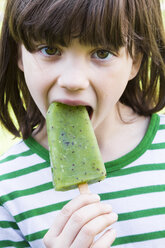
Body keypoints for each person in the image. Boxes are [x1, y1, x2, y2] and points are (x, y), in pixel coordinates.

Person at [0, 0, 165, 247]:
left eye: (102, 53)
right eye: (49, 49)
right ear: (19, 54)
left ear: (135, 62)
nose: (73, 81)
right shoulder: (8, 188)